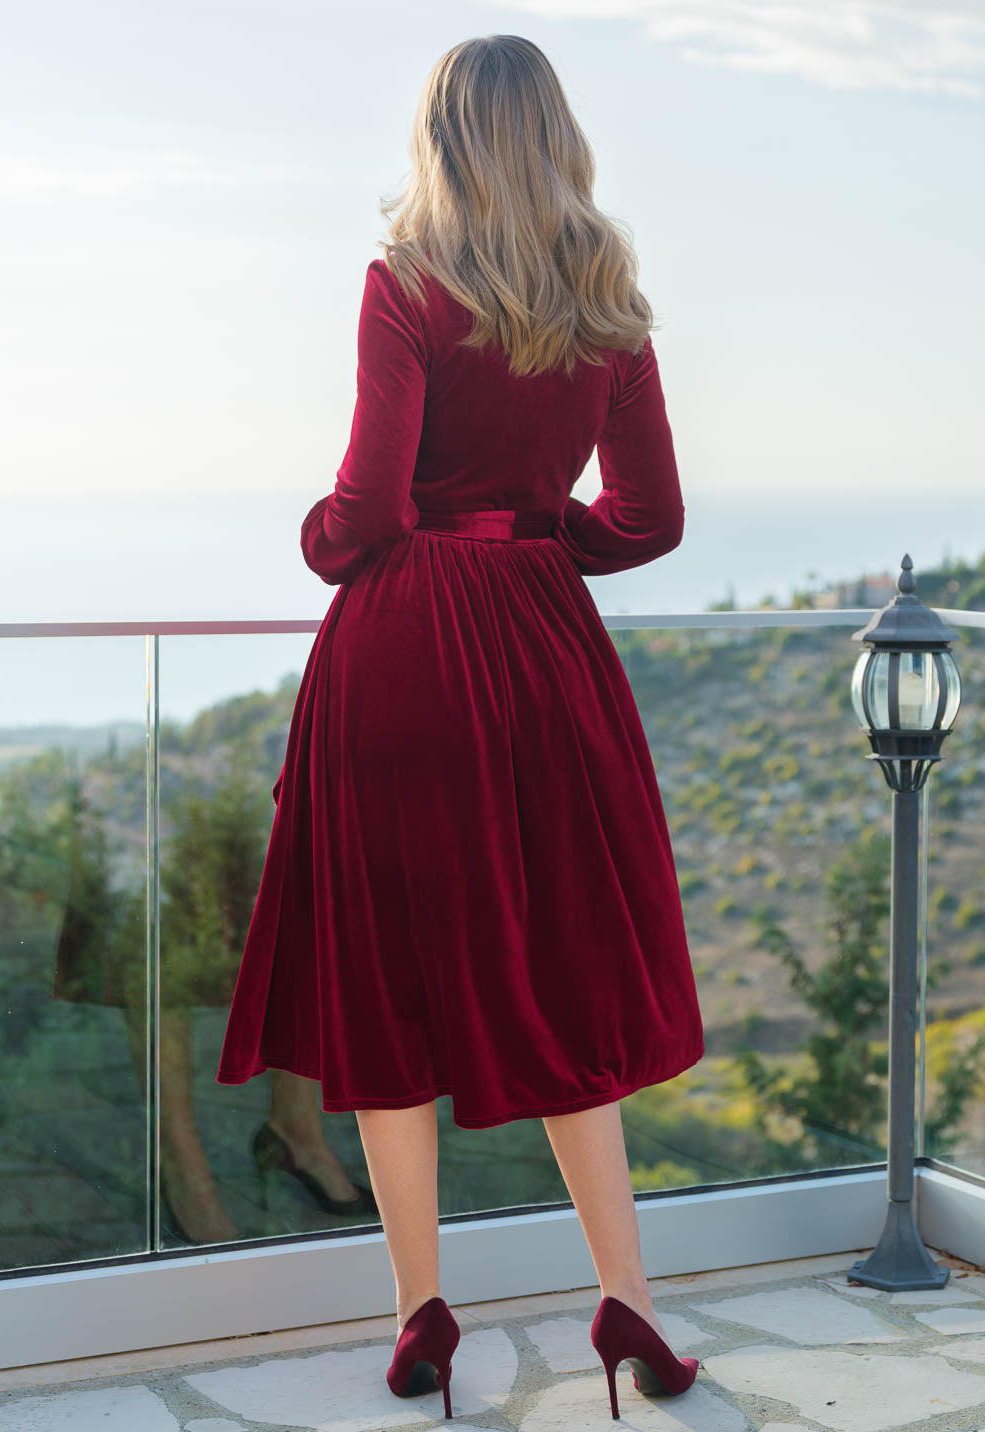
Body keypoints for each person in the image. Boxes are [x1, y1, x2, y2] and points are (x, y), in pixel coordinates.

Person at [216, 32, 705, 1422]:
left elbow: (366, 511)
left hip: (403, 654)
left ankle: (420, 1315)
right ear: (558, 136)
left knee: (391, 980)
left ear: (440, 142)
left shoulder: (407, 284)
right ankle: (630, 1302)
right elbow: (652, 519)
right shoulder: (607, 298)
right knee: (561, 968)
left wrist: (324, 541)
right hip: (545, 655)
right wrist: (539, 540)